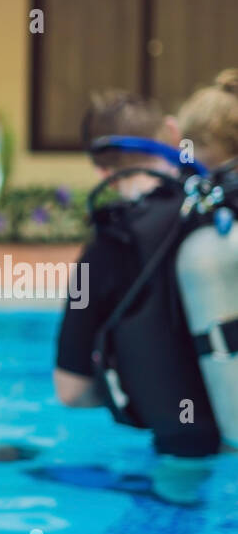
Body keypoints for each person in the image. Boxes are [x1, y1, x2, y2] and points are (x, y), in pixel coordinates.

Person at [52, 87, 227, 502]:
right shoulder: (216, 212)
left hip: (185, 453)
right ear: (170, 131)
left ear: (100, 169)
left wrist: (134, 391)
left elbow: (70, 390)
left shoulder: (103, 249)